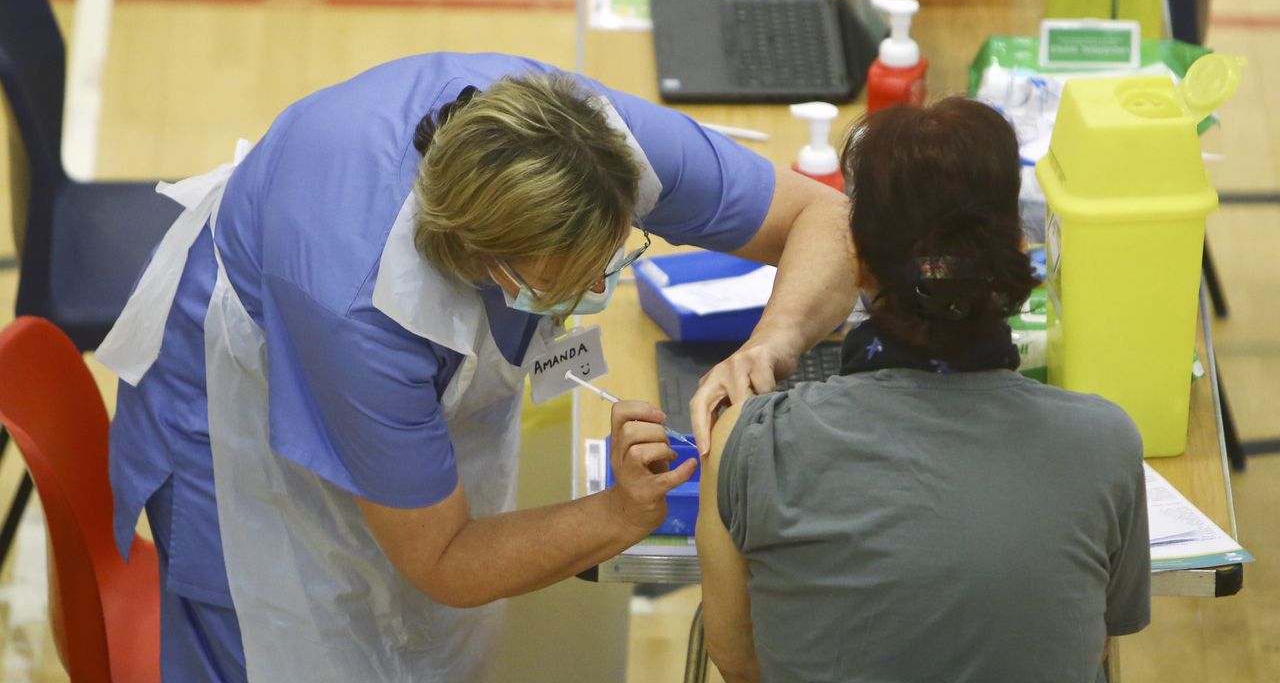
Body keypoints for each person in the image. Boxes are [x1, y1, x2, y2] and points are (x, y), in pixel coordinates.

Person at [94, 52, 855, 682]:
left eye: (613, 257)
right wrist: (617, 514)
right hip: (234, 412)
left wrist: (771, 343)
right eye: (575, 279)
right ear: (486, 262)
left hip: (358, 304)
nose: (600, 292)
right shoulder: (357, 310)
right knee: (287, 637)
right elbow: (445, 559)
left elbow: (823, 215)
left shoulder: (587, 140)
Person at [696, 98, 1151, 683]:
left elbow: (737, 659)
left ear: (857, 264)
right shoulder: (1105, 444)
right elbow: (1089, 648)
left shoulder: (751, 442)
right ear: (1019, 253)